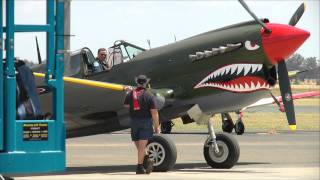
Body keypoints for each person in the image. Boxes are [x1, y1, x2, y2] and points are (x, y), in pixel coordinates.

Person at [123, 75, 160, 174]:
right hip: (145, 122)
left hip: (134, 122)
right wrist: (157, 126)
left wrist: (127, 92)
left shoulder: (131, 94)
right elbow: (154, 112)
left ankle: (147, 159)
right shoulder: (149, 95)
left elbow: (126, 105)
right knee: (142, 146)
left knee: (139, 146)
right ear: (146, 83)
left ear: (137, 83)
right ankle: (139, 167)